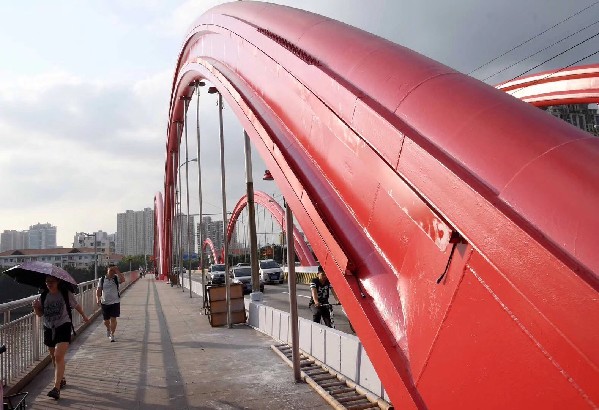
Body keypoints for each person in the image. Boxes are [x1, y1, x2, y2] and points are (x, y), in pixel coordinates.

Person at [32, 275, 89, 400]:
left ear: (58, 281)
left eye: (51, 281)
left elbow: (76, 305)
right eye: (47, 282)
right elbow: (40, 314)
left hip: (63, 326)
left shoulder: (65, 293)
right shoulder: (43, 296)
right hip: (49, 328)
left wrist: (84, 316)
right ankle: (61, 378)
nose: (49, 284)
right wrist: (35, 307)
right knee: (53, 356)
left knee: (58, 356)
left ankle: (56, 388)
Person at [97, 265, 125, 342]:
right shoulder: (102, 279)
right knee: (106, 321)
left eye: (113, 270)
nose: (112, 272)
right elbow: (99, 290)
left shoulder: (116, 278)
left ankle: (112, 335)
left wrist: (117, 271)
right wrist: (97, 298)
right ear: (107, 270)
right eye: (111, 270)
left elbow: (123, 280)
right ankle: (108, 329)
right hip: (105, 302)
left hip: (115, 302)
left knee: (113, 319)